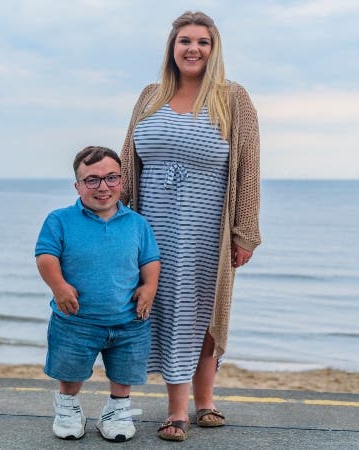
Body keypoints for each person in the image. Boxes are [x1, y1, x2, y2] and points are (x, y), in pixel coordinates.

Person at [119, 11, 261, 442]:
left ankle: (202, 402)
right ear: (172, 47)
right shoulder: (150, 96)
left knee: (203, 312)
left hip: (207, 230)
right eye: (185, 41)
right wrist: (113, 218)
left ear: (214, 49)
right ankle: (177, 408)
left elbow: (249, 168)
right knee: (165, 310)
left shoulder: (233, 98)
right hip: (151, 227)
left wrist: (244, 231)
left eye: (202, 41)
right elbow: (128, 160)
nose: (193, 48)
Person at [35, 146, 161, 442]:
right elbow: (45, 256)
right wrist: (59, 286)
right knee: (70, 369)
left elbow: (150, 260)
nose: (103, 187)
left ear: (121, 181)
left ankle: (116, 411)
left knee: (125, 371)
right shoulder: (60, 220)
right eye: (92, 180)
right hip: (76, 319)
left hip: (129, 319)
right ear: (78, 186)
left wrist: (149, 287)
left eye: (111, 178)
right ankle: (68, 408)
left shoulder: (137, 223)